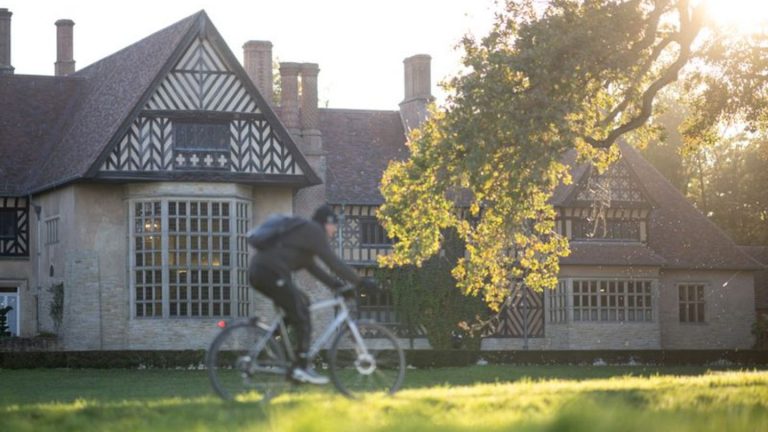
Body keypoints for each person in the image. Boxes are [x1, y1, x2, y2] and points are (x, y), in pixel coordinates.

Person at [248, 205, 375, 384]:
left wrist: (339, 286)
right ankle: (301, 367)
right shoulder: (314, 230)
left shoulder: (304, 242)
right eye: (334, 226)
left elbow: (315, 269)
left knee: (303, 303)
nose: (335, 230)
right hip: (269, 273)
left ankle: (274, 340)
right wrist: (360, 282)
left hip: (264, 272)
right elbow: (333, 262)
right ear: (327, 223)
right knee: (301, 314)